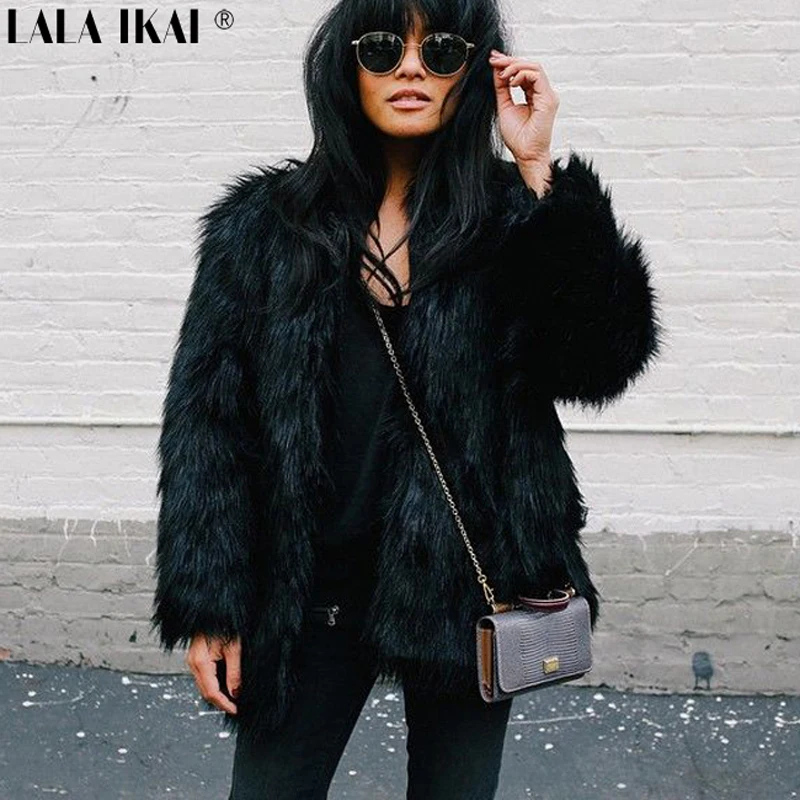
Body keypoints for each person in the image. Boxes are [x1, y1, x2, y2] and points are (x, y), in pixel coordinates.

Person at [149, 0, 665, 797]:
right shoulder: (266, 226)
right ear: (344, 66)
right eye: (384, 47)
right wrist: (211, 601)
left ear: (473, 73)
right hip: (310, 588)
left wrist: (538, 170)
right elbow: (207, 422)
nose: (412, 68)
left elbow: (599, 361)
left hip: (469, 582)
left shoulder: (511, 217)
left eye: (444, 49)